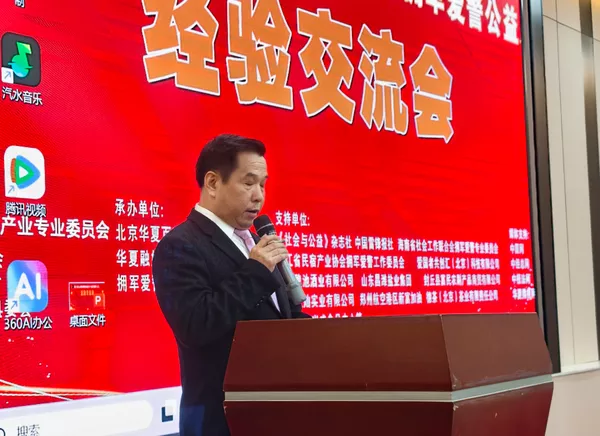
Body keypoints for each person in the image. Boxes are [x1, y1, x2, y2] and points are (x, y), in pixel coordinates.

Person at [152, 134, 311, 436]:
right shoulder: (180, 245)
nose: (259, 196)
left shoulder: (255, 241)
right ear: (213, 183)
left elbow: (281, 319)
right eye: (248, 183)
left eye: (263, 184)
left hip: (276, 414)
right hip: (221, 421)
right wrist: (256, 270)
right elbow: (196, 326)